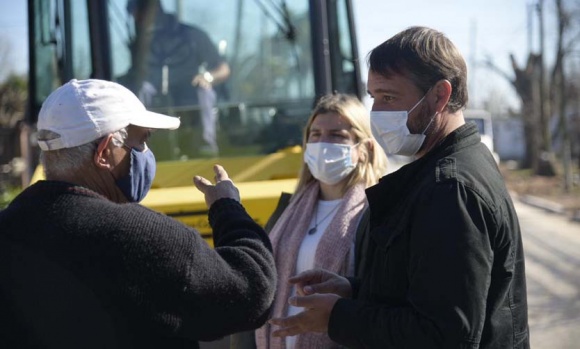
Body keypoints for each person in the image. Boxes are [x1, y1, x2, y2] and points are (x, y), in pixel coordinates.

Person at [268, 26, 530, 348]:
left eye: (389, 97)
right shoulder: (439, 169)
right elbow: (424, 289)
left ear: (439, 95)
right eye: (373, 97)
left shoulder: (450, 188)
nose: (377, 112)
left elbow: (445, 334)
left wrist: (339, 317)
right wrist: (354, 290)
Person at [0, 79, 276, 349]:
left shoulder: (9, 229)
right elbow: (252, 293)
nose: (146, 154)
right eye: (142, 142)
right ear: (105, 152)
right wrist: (227, 208)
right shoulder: (140, 238)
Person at [230, 94, 387, 349]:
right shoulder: (288, 210)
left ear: (364, 149)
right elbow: (259, 288)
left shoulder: (377, 214)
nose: (323, 143)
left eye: (337, 135)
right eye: (315, 134)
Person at [126, 0, 230, 155]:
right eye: (135, 17)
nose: (138, 21)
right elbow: (136, 75)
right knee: (140, 90)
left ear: (155, 10)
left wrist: (207, 77)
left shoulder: (193, 35)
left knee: (204, 90)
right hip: (155, 94)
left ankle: (206, 147)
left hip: (190, 93)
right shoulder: (140, 43)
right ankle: (139, 149)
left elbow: (223, 69)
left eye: (140, 14)